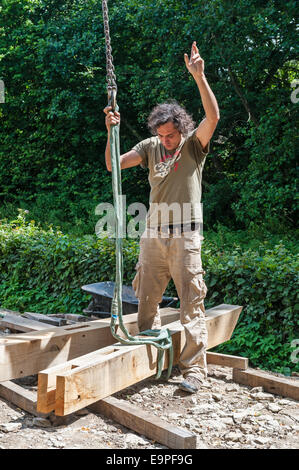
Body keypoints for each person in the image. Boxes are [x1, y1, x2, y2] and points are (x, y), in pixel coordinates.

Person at [104, 41, 220, 393]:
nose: (167, 141)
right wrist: (110, 131)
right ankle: (148, 356)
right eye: (162, 135)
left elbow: (213, 117)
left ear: (181, 129)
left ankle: (194, 371)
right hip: (153, 232)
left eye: (171, 135)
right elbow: (113, 165)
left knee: (191, 302)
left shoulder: (193, 145)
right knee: (146, 300)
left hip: (186, 234)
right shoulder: (149, 147)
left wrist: (199, 77)